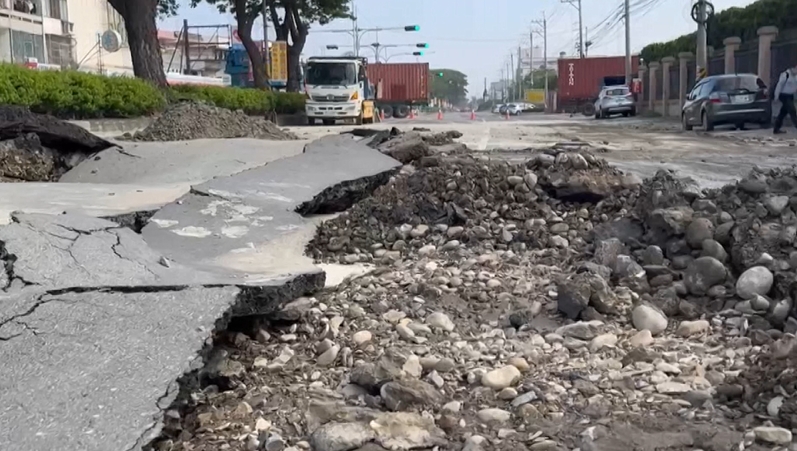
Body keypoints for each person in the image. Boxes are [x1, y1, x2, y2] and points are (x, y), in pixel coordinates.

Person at [773, 65, 797, 134]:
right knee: (792, 110)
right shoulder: (785, 75)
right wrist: (776, 96)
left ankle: (776, 128)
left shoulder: (796, 77)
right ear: (793, 68)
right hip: (784, 95)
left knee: (783, 112)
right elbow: (779, 85)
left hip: (790, 95)